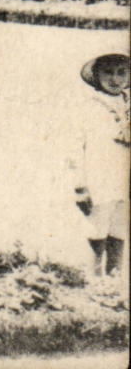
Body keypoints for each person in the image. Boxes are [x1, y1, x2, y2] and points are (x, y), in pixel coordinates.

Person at [69, 52, 130, 278]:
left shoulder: (128, 105)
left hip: (123, 179)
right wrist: (79, 186)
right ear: (96, 75)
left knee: (119, 229)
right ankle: (94, 278)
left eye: (122, 72)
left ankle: (114, 277)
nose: (115, 79)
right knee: (97, 229)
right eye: (108, 72)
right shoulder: (90, 107)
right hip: (100, 178)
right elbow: (75, 148)